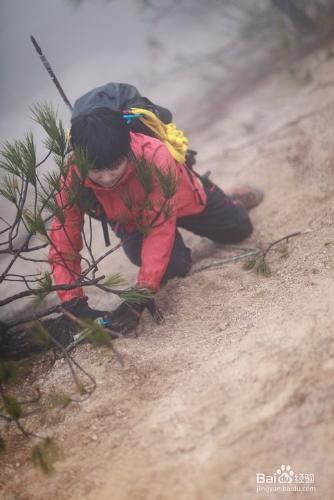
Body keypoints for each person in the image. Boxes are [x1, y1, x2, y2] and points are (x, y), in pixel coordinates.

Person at [48, 106, 263, 338]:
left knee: (239, 228)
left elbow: (160, 227)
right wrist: (72, 304)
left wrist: (141, 292)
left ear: (127, 148)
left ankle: (230, 197)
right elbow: (63, 241)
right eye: (97, 171)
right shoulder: (71, 176)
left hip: (179, 197)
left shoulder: (154, 154)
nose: (107, 179)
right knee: (172, 268)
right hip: (134, 221)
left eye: (113, 167)